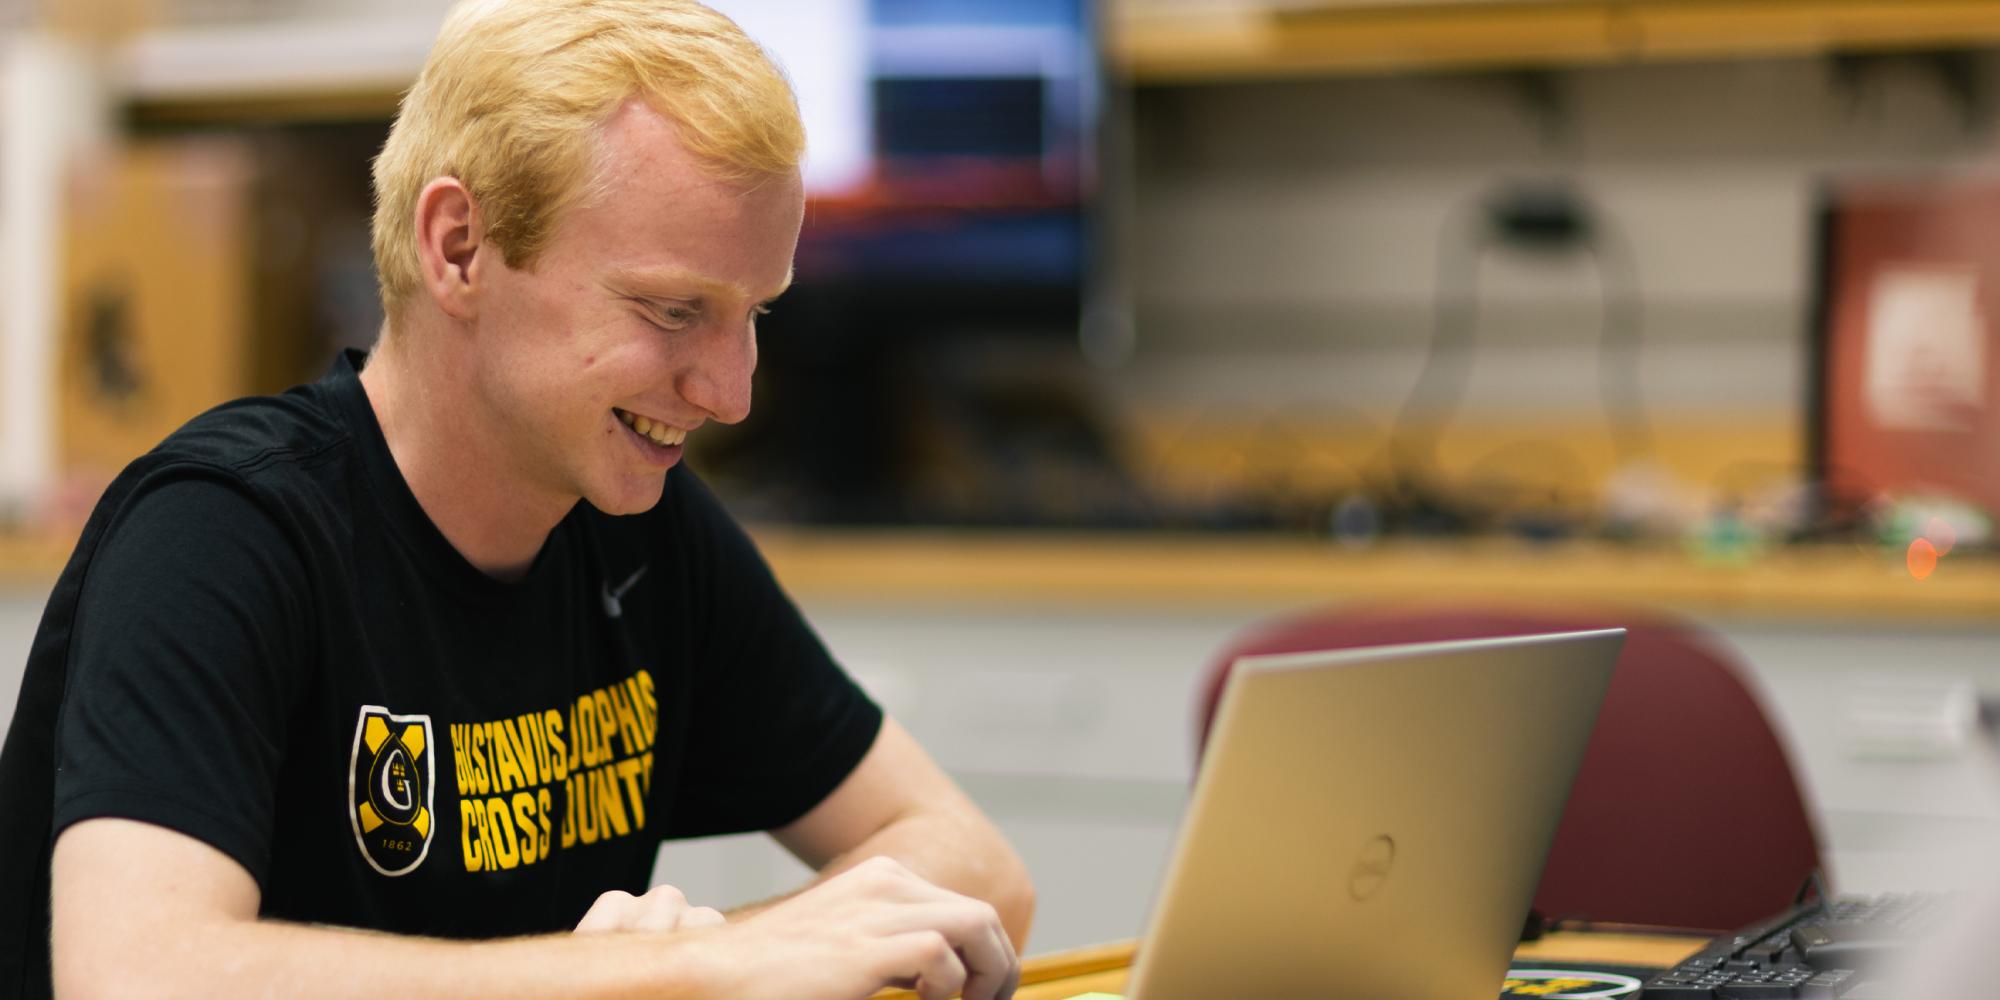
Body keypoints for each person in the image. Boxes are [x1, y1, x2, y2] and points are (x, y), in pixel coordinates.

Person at [0, 1, 1034, 997]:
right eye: (673, 310)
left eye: (752, 313)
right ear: (457, 247)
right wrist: (673, 977)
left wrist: (726, 959)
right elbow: (137, 977)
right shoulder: (222, 531)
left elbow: (976, 869)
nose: (729, 391)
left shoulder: (640, 535)